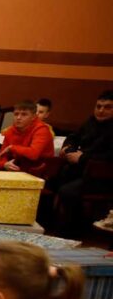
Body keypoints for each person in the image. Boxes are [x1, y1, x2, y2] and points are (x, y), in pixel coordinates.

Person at [52, 89, 113, 234]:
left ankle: (72, 230)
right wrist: (68, 147)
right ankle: (50, 223)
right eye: (98, 106)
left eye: (107, 107)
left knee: (67, 191)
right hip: (81, 171)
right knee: (50, 182)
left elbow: (110, 156)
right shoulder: (91, 122)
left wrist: (83, 158)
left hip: (102, 178)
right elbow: (73, 137)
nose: (101, 110)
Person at [0, 100, 55, 176]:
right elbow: (1, 156)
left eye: (24, 114)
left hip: (40, 172)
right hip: (17, 169)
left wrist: (12, 147)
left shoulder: (42, 130)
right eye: (16, 114)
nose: (18, 117)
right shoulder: (9, 131)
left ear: (33, 117)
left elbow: (34, 154)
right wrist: (5, 164)